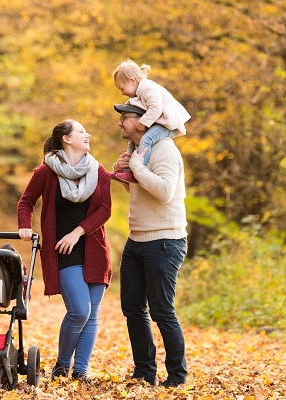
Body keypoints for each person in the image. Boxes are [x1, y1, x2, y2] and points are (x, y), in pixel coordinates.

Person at [17, 119, 112, 384]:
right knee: (80, 311)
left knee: (92, 314)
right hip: (62, 251)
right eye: (82, 131)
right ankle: (62, 365)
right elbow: (26, 202)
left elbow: (105, 210)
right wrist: (24, 226)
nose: (88, 134)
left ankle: (81, 370)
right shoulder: (46, 172)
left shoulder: (99, 171)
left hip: (94, 248)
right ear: (66, 139)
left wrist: (77, 232)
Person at [112, 102, 188, 388]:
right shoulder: (136, 150)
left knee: (162, 310)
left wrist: (135, 168)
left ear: (143, 121)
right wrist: (122, 173)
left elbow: (165, 192)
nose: (120, 124)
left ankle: (177, 377)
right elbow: (141, 188)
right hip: (136, 240)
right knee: (132, 308)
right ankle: (145, 372)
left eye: (125, 118)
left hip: (165, 240)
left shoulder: (165, 148)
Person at [111, 58, 191, 184]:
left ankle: (136, 170)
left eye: (122, 89)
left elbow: (156, 108)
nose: (122, 93)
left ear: (132, 81)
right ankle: (126, 170)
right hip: (162, 122)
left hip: (170, 125)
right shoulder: (139, 91)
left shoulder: (148, 88)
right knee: (132, 142)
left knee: (146, 139)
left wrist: (142, 123)